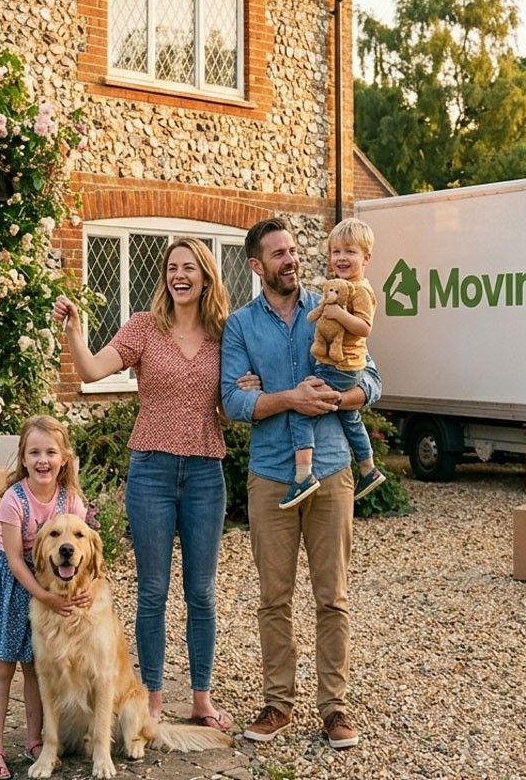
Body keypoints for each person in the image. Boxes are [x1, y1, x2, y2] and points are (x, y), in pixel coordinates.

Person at [51, 236, 233, 731]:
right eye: (172, 267)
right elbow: (90, 371)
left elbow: (233, 407)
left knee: (202, 592)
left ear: (205, 276)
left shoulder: (224, 334)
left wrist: (250, 391)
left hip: (204, 473)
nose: (179, 274)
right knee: (153, 591)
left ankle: (201, 699)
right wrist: (75, 330)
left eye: (189, 267)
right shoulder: (143, 329)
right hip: (151, 471)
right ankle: (150, 700)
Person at [220, 217, 381, 751]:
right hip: (270, 475)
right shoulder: (241, 325)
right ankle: (277, 704)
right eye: (278, 254)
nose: (290, 260)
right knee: (274, 598)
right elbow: (234, 400)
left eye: (292, 251)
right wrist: (289, 398)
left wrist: (331, 399)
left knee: (332, 596)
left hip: (332, 469)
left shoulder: (335, 301)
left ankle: (335, 709)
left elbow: (373, 381)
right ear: (256, 266)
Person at [0, 414, 89, 779]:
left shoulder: (71, 501)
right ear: (22, 458)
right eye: (34, 452)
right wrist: (44, 596)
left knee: (38, 671)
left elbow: (82, 552)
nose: (43, 460)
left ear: (64, 457)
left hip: (50, 586)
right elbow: (14, 560)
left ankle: (35, 740)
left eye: (51, 452)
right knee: (3, 669)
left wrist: (83, 593)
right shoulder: (13, 499)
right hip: (13, 585)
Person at [281, 217, 386, 509]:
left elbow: (365, 327)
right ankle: (368, 468)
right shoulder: (337, 288)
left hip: (341, 367)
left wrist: (338, 314)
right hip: (340, 365)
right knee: (349, 417)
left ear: (366, 257)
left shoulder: (361, 291)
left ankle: (304, 475)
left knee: (302, 407)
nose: (341, 257)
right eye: (336, 251)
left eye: (350, 252)